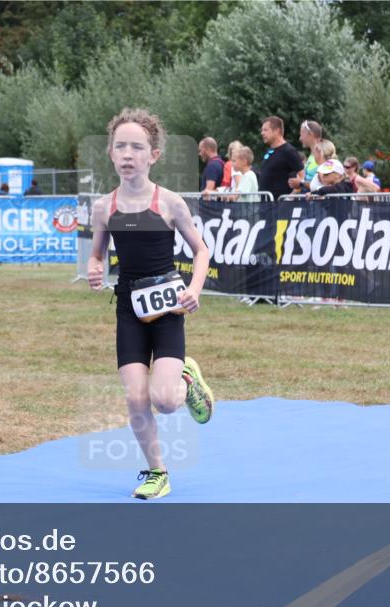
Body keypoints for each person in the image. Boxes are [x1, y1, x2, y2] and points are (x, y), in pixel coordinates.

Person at [87, 108, 215, 500]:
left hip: (169, 307)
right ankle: (156, 472)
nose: (128, 154)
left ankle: (186, 380)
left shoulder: (170, 204)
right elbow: (96, 255)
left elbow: (201, 251)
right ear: (110, 153)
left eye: (137, 147)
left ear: (153, 156)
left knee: (165, 401)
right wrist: (95, 269)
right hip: (129, 308)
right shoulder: (103, 208)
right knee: (136, 398)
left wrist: (195, 288)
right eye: (120, 146)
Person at [257, 115, 304, 200]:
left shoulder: (289, 151)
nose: (262, 133)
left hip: (280, 206)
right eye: (262, 130)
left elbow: (302, 177)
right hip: (265, 204)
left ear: (277, 131)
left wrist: (289, 198)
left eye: (265, 130)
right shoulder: (270, 150)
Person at [288, 119, 323, 192]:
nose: (300, 138)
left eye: (302, 134)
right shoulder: (312, 155)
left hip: (317, 200)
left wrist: (300, 183)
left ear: (310, 134)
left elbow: (323, 183)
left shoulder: (321, 154)